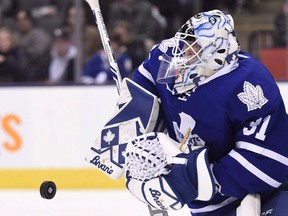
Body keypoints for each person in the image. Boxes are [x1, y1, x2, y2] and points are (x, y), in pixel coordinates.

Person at [123, 9, 288, 215]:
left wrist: (188, 180)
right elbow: (140, 98)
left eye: (195, 47)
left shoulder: (250, 83)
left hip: (271, 192)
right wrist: (137, 149)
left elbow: (267, 163)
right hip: (207, 203)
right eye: (185, 43)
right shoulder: (164, 58)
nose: (184, 52)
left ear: (218, 53)